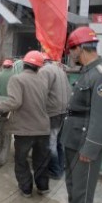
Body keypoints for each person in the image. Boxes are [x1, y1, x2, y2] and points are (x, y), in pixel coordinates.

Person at [48, 26, 102, 203]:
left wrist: (91, 148)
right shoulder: (87, 72)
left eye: (71, 50)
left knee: (83, 185)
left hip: (86, 141)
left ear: (80, 48)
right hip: (74, 136)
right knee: (72, 182)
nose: (70, 54)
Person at [0, 51, 50, 197]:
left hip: (25, 130)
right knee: (41, 160)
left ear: (24, 64)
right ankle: (43, 187)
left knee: (21, 160)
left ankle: (26, 189)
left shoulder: (17, 79)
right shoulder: (44, 82)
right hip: (44, 129)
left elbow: (15, 102)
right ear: (39, 67)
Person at [39, 52, 71, 180]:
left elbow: (41, 92)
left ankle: (55, 171)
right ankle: (61, 166)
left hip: (53, 112)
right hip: (65, 111)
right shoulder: (60, 70)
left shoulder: (44, 71)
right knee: (59, 142)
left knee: (50, 144)